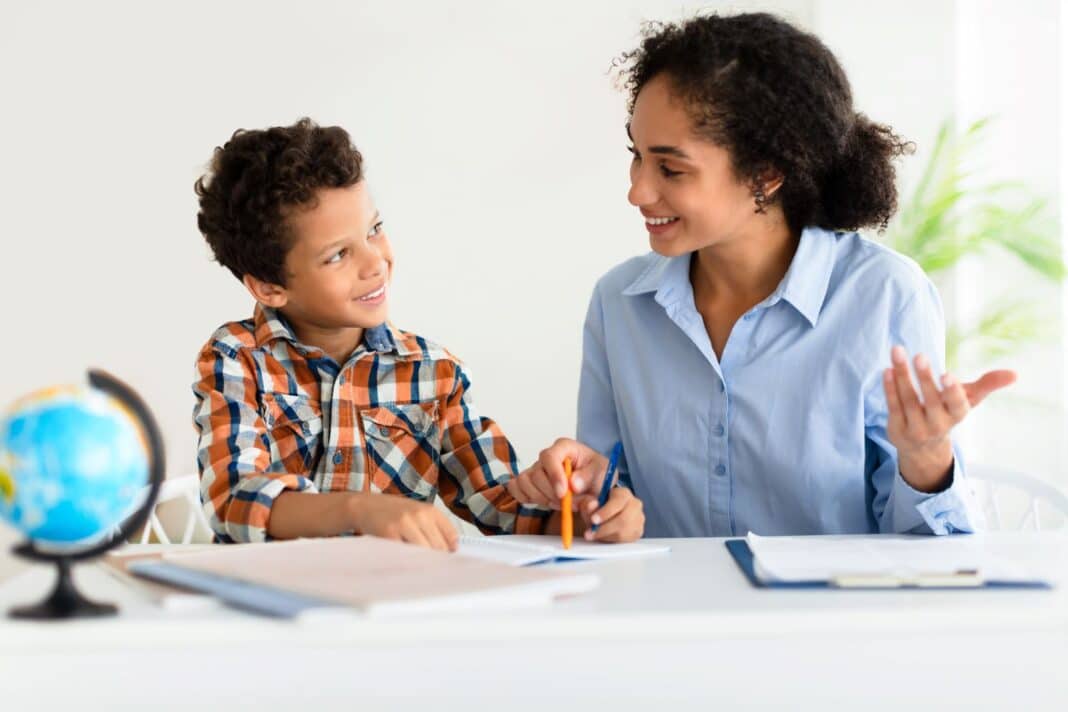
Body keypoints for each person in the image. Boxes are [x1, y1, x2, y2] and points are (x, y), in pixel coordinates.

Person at [508, 13, 1016, 538]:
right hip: (666, 614)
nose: (637, 191)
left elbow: (930, 557)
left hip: (833, 618)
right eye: (637, 157)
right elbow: (608, 494)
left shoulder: (884, 295)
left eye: (670, 168)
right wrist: (589, 497)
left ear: (767, 174)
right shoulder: (620, 303)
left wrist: (927, 459)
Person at [191, 118, 647, 548]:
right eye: (337, 255)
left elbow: (504, 506)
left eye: (374, 230)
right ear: (269, 286)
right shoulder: (238, 358)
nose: (375, 263)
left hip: (391, 611)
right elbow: (236, 501)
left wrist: (587, 513)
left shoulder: (433, 373)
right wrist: (362, 511)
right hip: (268, 612)